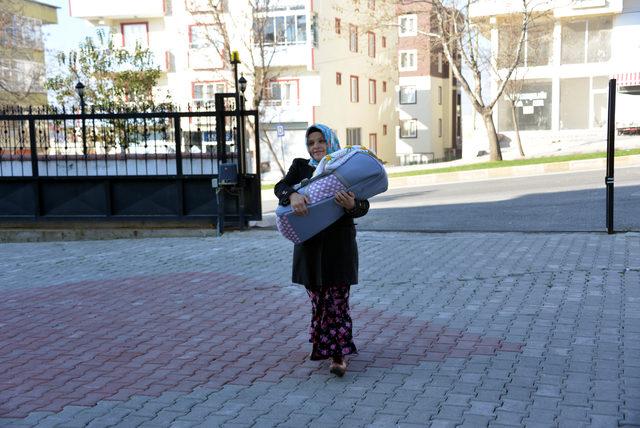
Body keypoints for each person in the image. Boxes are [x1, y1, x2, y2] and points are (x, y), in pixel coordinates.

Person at [274, 124, 369, 377]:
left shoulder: (345, 166)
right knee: (318, 301)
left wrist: (353, 205)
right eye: (311, 142)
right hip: (310, 245)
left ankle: (338, 353)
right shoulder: (301, 167)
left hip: (339, 245)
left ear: (330, 141)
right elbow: (280, 187)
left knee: (337, 302)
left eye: (320, 141)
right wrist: (291, 195)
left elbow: (364, 203)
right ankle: (320, 344)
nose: (316, 146)